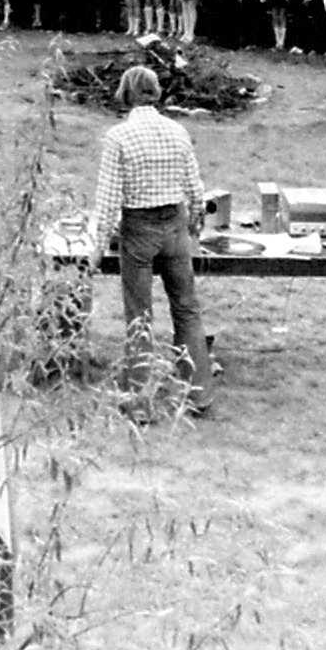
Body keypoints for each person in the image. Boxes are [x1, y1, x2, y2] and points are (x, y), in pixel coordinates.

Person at [87, 65, 212, 424]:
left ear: (125, 94)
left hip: (138, 229)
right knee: (186, 309)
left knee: (139, 316)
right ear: (156, 92)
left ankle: (140, 405)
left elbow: (109, 199)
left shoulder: (118, 137)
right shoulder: (177, 131)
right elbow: (195, 188)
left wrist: (97, 249)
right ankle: (199, 395)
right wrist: (195, 226)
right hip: (175, 226)